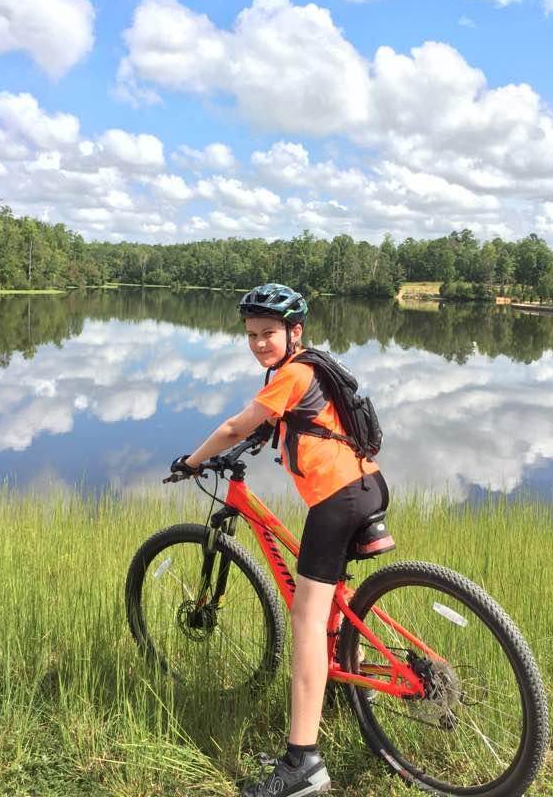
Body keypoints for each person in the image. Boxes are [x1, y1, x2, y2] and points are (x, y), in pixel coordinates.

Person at [177, 283, 390, 797]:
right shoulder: (312, 367)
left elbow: (234, 426)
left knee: (306, 620)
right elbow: (290, 422)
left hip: (337, 501)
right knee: (330, 603)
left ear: (295, 331)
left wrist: (193, 460)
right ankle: (343, 682)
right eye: (251, 335)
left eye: (268, 333)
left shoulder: (291, 373)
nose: (258, 343)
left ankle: (303, 765)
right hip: (367, 484)